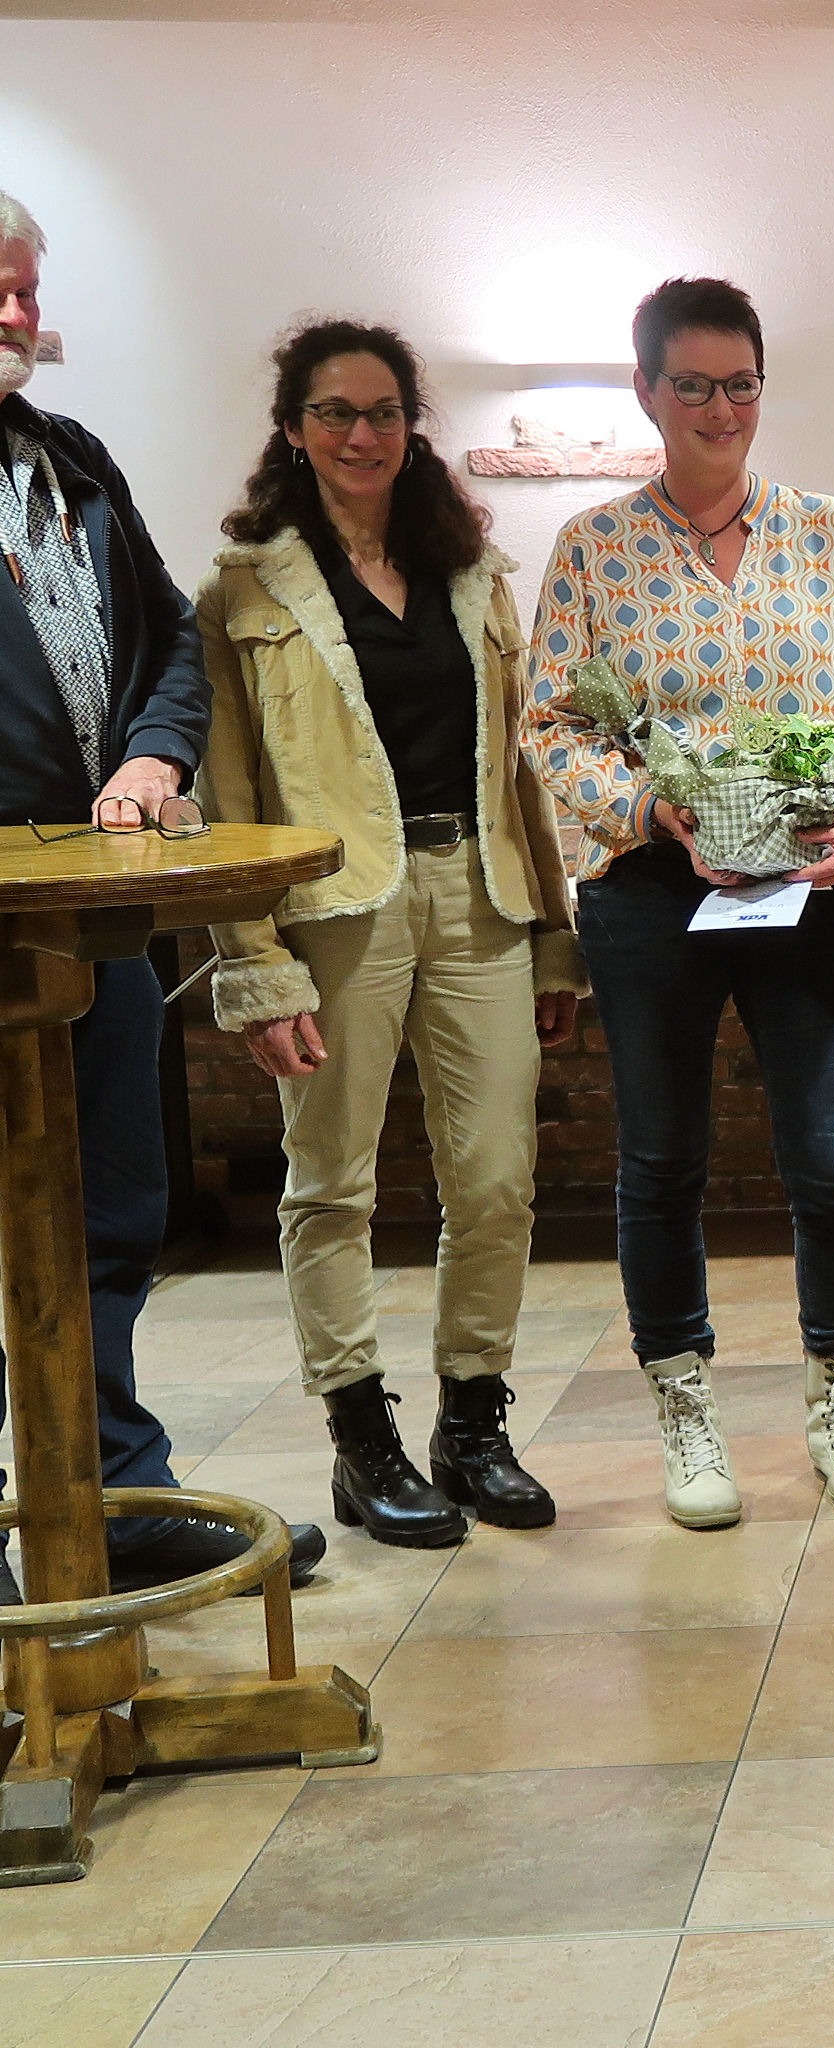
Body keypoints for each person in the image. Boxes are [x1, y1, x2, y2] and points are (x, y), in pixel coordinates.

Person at [522, 277, 834, 1532]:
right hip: (648, 896)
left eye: (740, 382)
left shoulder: (831, 535)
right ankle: (686, 1411)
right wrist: (650, 811)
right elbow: (555, 729)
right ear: (646, 390)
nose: (720, 406)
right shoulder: (594, 548)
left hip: (799, 893)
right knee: (661, 1161)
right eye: (693, 383)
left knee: (832, 1161)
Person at [198, 320, 583, 1548]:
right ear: (294, 429)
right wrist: (254, 964)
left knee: (495, 1177)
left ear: (413, 423)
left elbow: (521, 771)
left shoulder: (473, 570)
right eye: (333, 413)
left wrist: (556, 936)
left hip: (481, 897)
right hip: (334, 908)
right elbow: (230, 790)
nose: (361, 435)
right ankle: (363, 1439)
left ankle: (473, 1422)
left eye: (382, 412)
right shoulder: (247, 587)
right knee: (332, 1185)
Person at [0, 189, 326, 1602]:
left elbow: (173, 647)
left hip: (96, 922)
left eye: (23, 288)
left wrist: (149, 752)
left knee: (114, 1211)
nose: (18, 316)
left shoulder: (69, 459)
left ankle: (112, 1494)